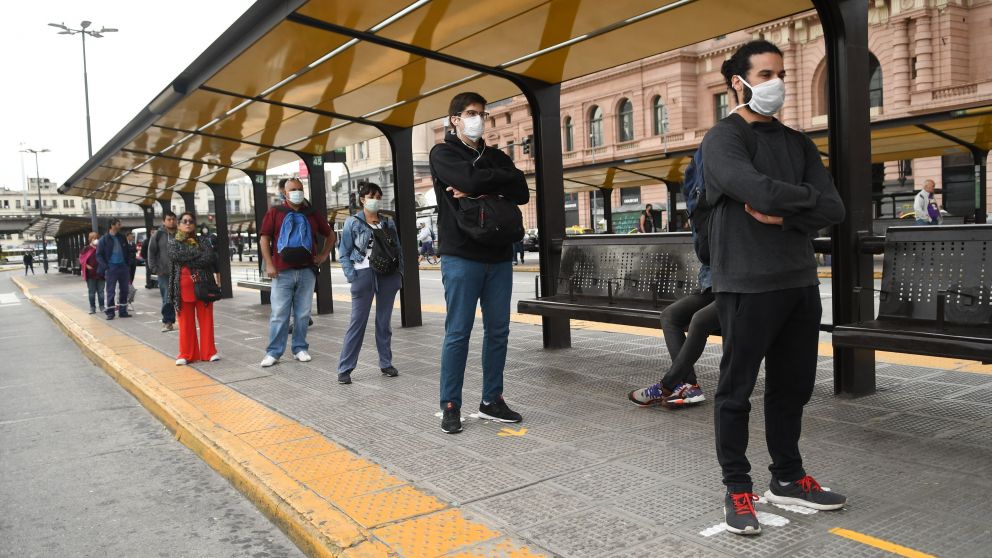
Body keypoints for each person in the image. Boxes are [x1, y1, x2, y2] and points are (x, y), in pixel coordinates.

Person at [702, 40, 847, 535]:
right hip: (745, 283)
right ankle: (737, 487)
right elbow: (755, 189)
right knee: (736, 391)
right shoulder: (722, 140)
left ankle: (786, 476)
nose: (775, 84)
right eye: (764, 74)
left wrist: (784, 215)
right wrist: (803, 203)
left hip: (798, 282)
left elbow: (835, 209)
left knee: (793, 388)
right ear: (736, 83)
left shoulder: (798, 143)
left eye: (780, 73)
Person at [430, 91, 529, 434]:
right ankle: (451, 405)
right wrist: (493, 182)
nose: (478, 119)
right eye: (471, 113)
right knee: (458, 332)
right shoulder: (442, 153)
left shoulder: (496, 154)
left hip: (499, 255)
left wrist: (480, 189)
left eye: (482, 114)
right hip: (461, 256)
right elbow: (485, 180)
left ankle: (491, 400)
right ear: (455, 119)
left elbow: (522, 190)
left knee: (498, 331)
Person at [259, 178, 334, 367]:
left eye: (300, 189)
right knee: (279, 313)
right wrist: (269, 264)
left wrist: (323, 255)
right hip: (281, 272)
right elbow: (264, 238)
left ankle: (300, 348)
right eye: (293, 189)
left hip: (307, 271)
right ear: (285, 193)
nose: (297, 192)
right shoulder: (275, 212)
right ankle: (273, 352)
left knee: (302, 313)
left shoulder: (312, 213)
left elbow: (330, 235)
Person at [337, 181, 404, 384]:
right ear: (362, 199)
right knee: (357, 323)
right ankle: (345, 369)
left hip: (387, 276)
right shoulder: (352, 222)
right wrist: (352, 276)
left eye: (377, 196)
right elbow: (344, 253)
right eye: (370, 196)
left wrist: (399, 274)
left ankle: (386, 363)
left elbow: (398, 250)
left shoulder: (388, 223)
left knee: (384, 323)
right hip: (363, 274)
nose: (374, 200)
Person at [168, 212, 220, 365]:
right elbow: (176, 256)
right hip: (182, 287)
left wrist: (188, 258)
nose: (188, 223)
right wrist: (197, 255)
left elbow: (209, 257)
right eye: (184, 221)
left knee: (206, 319)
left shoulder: (203, 240)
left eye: (191, 221)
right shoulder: (173, 242)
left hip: (203, 285)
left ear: (194, 224)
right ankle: (186, 354)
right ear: (179, 224)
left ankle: (209, 352)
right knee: (185, 322)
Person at [96, 218, 135, 320]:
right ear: (112, 225)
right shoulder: (104, 239)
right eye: (118, 224)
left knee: (124, 290)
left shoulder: (122, 237)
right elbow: (98, 255)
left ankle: (123, 311)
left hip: (123, 267)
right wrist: (106, 266)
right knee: (110, 290)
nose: (120, 226)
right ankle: (110, 312)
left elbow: (128, 251)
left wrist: (127, 264)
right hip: (111, 268)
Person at [148, 211, 178, 332]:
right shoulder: (158, 235)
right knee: (167, 297)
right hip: (164, 272)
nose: (171, 221)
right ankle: (168, 321)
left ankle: (184, 320)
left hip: (179, 271)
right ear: (164, 221)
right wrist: (155, 269)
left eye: (173, 219)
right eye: (169, 219)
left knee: (181, 297)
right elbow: (151, 252)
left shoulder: (181, 233)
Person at [79, 232, 105, 314]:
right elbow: (81, 259)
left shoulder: (101, 248)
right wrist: (86, 266)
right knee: (91, 292)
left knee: (101, 292)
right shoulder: (86, 249)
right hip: (91, 274)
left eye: (96, 238)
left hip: (101, 273)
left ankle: (102, 307)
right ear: (90, 239)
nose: (95, 239)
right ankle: (92, 308)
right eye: (93, 238)